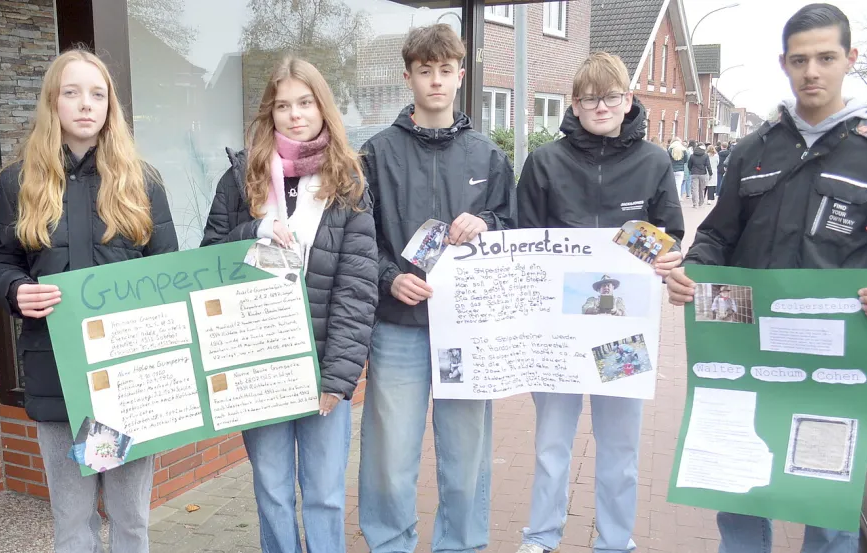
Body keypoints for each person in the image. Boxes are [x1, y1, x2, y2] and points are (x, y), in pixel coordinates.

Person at [666, 4, 867, 553]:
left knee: (829, 510)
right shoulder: (753, 150)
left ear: (850, 60)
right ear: (785, 65)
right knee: (741, 495)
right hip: (745, 356)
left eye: (825, 57)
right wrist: (693, 272)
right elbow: (716, 237)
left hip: (833, 369)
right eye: (800, 60)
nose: (811, 71)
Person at [0, 49, 178, 553]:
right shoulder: (18, 182)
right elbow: (0, 260)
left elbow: (167, 274)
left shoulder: (143, 181)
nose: (85, 104)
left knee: (129, 516)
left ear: (110, 105)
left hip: (126, 379)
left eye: (97, 93)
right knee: (72, 521)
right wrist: (15, 290)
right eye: (72, 92)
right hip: (57, 374)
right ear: (54, 102)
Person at [199, 56, 378, 553]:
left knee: (323, 495)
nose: (296, 114)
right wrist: (252, 231)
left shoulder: (348, 183)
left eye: (305, 102)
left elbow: (357, 289)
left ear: (323, 107)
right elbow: (208, 263)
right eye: (283, 105)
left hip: (321, 366)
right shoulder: (241, 180)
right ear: (269, 113)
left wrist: (338, 379)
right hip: (258, 365)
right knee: (273, 492)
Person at [516, 51, 684, 553]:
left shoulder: (654, 162)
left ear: (628, 99)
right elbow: (523, 239)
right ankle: (541, 537)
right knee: (551, 445)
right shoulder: (545, 161)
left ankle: (615, 541)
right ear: (575, 103)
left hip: (622, 334)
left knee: (619, 448)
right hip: (557, 330)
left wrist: (664, 256)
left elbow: (670, 236)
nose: (601, 106)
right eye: (590, 98)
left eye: (611, 96)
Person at [357, 23, 516, 553]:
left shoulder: (488, 157)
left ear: (461, 75)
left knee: (466, 453)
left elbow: (514, 229)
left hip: (467, 331)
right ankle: (389, 544)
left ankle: (461, 545)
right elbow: (359, 237)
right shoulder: (375, 154)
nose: (436, 82)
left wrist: (488, 223)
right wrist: (388, 277)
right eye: (425, 71)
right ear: (408, 77)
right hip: (398, 328)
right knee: (390, 455)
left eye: (445, 71)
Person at [687, 142, 712, 208]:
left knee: (694, 189)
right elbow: (708, 165)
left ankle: (695, 203)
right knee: (701, 189)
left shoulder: (692, 155)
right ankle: (701, 201)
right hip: (702, 173)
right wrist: (710, 173)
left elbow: (689, 165)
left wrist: (691, 170)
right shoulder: (705, 155)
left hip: (694, 173)